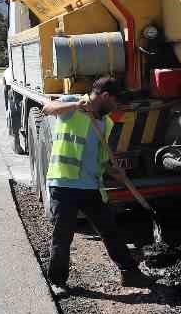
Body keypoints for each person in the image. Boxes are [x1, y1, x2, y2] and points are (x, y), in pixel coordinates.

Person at [39, 76, 151, 289]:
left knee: (110, 231)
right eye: (115, 102)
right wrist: (75, 104)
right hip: (64, 184)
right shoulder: (73, 104)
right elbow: (47, 108)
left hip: (91, 187)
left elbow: (97, 157)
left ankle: (130, 274)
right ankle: (58, 282)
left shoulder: (105, 122)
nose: (116, 107)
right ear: (106, 96)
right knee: (62, 237)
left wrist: (112, 170)